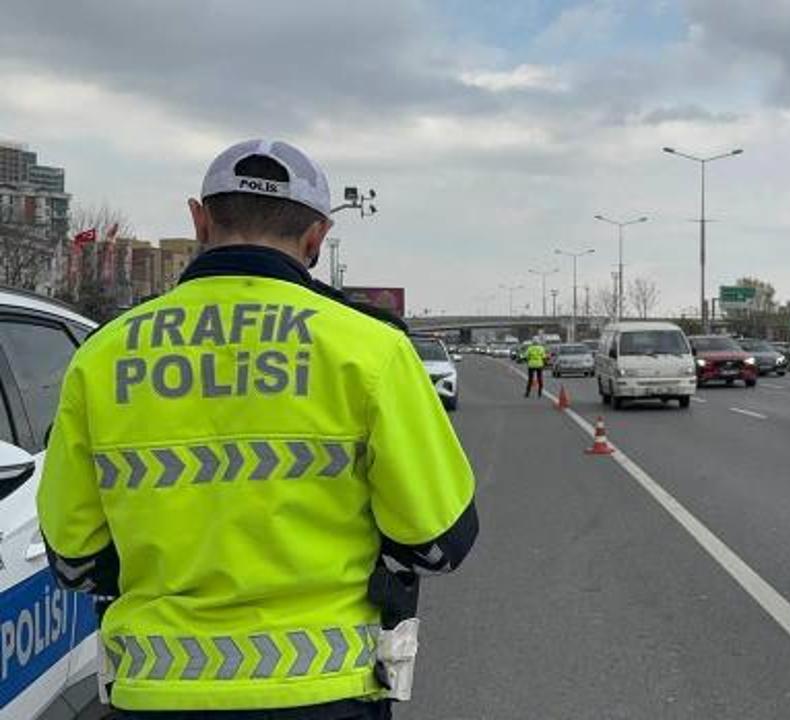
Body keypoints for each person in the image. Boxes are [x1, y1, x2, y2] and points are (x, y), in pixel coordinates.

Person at [37, 139, 478, 719]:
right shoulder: (371, 349)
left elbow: (73, 558)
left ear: (199, 219)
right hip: (325, 691)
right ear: (317, 237)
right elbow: (440, 541)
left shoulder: (103, 355)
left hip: (155, 692)